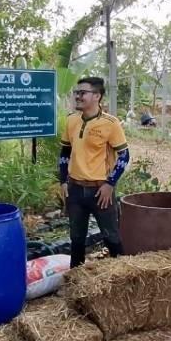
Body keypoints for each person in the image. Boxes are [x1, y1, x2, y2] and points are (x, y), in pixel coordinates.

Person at [59, 77, 129, 268]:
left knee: (111, 237)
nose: (78, 96)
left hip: (100, 192)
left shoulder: (110, 123)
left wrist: (110, 184)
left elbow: (124, 156)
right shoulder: (71, 120)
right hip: (74, 189)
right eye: (77, 93)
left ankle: (122, 279)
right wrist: (63, 181)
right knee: (76, 239)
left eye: (82, 93)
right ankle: (76, 283)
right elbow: (65, 151)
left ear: (97, 96)